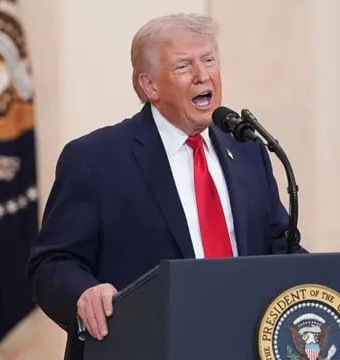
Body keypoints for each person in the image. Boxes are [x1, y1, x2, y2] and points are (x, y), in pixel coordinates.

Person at [27, 13, 306, 360]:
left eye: (209, 60)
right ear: (150, 86)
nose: (203, 75)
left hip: (243, 345)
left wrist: (327, 282)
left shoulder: (247, 150)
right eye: (183, 66)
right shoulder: (95, 159)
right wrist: (83, 293)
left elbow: (279, 248)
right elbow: (51, 264)